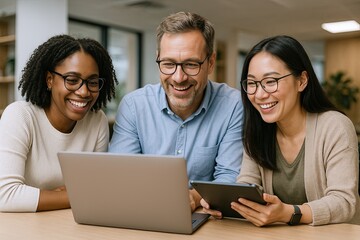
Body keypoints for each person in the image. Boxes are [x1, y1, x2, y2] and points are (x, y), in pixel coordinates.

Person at [201, 35, 360, 226]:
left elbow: (344, 202)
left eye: (270, 81)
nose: (259, 94)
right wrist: (229, 202)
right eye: (252, 83)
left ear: (301, 81)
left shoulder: (335, 126)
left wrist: (289, 213)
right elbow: (248, 182)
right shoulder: (257, 129)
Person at [108, 11, 244, 211]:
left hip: (205, 219)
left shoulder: (233, 105)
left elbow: (230, 177)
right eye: (169, 64)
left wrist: (193, 198)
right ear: (158, 59)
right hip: (143, 211)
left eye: (191, 64)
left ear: (211, 62)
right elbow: (121, 175)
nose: (178, 77)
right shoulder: (133, 106)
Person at [0, 35, 118, 212]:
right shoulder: (20, 116)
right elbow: (5, 196)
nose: (84, 91)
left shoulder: (96, 120)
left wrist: (41, 195)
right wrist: (72, 195)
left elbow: (96, 189)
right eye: (72, 80)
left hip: (66, 225)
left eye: (92, 82)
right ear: (49, 80)